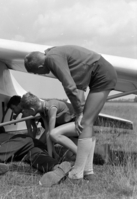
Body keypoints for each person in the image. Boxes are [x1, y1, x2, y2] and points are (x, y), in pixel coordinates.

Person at [24, 45, 117, 182]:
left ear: (39, 67)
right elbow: (77, 86)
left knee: (85, 122)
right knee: (87, 123)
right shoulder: (52, 54)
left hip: (102, 75)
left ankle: (77, 173)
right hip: (99, 74)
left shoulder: (52, 59)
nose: (40, 75)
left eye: (37, 73)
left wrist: (79, 112)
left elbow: (69, 86)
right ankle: (88, 172)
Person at [0, 126, 72, 187]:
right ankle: (56, 167)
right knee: (38, 157)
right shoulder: (10, 135)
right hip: (33, 146)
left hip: (24, 142)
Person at [20, 92, 79, 162]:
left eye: (26, 111)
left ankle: (81, 154)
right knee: (69, 157)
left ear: (32, 109)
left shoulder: (51, 108)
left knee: (54, 134)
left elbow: (52, 134)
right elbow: (48, 134)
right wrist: (51, 155)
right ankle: (80, 152)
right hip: (70, 129)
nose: (25, 113)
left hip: (79, 125)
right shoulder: (43, 112)